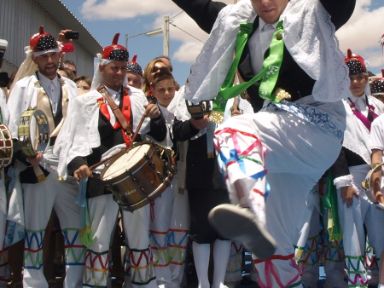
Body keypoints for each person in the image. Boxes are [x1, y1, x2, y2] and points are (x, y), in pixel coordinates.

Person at [171, 0, 356, 286]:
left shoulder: (314, 11)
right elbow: (199, 5)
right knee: (272, 252)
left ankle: (248, 204)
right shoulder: (239, 22)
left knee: (232, 130)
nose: (265, 3)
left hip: (317, 127)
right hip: (280, 148)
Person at [54, 33, 166, 288]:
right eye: (114, 68)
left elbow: (158, 134)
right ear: (102, 67)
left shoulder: (138, 98)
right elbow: (71, 141)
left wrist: (157, 115)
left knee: (138, 238)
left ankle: (142, 284)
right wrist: (78, 164)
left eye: (122, 69)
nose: (118, 73)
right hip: (100, 179)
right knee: (99, 240)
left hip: (135, 177)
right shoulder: (85, 102)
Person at [6, 26, 84, 288]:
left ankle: (73, 282)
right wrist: (25, 155)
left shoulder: (71, 87)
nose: (50, 61)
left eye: (53, 55)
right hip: (37, 167)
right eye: (43, 56)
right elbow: (12, 125)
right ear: (34, 59)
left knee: (74, 229)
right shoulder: (24, 87)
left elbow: (80, 126)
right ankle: (33, 283)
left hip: (66, 166)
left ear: (59, 55)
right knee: (36, 230)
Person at [149, 69, 209, 287]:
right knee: (160, 231)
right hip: (155, 184)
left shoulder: (176, 113)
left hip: (178, 181)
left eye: (170, 89)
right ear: (152, 91)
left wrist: (196, 124)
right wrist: (155, 117)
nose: (166, 93)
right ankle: (161, 282)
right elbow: (158, 133)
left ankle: (175, 281)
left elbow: (181, 131)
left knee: (179, 232)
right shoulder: (148, 113)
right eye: (161, 89)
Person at [330, 50, 384, 287]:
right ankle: (356, 280)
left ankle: (378, 276)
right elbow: (334, 145)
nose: (356, 82)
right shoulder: (337, 107)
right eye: (351, 78)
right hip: (352, 176)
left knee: (379, 230)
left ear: (365, 78)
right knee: (353, 234)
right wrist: (343, 181)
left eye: (360, 77)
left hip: (379, 176)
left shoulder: (377, 107)